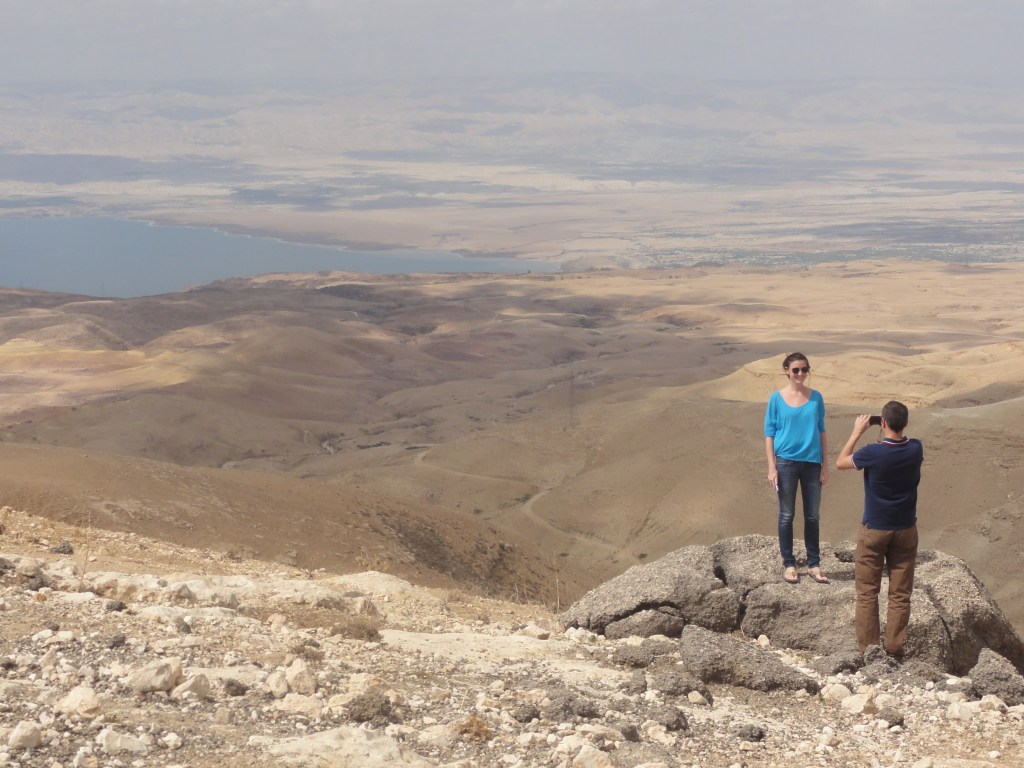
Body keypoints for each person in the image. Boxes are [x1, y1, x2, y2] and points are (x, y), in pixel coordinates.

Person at [835, 400, 924, 659]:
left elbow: (841, 462)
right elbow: (902, 445)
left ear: (882, 423)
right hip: (906, 528)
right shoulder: (916, 448)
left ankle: (870, 650)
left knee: (867, 592)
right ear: (905, 423)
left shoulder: (872, 453)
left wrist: (857, 432)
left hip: (875, 529)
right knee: (900, 594)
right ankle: (894, 647)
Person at [764, 352, 829, 585]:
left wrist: (825, 465)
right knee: (787, 514)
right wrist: (772, 467)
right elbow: (769, 434)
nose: (800, 374)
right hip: (786, 463)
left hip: (812, 463)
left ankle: (814, 564)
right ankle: (789, 564)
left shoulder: (816, 398)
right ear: (786, 371)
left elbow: (822, 431)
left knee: (812, 516)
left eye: (804, 369)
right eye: (796, 370)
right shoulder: (776, 399)